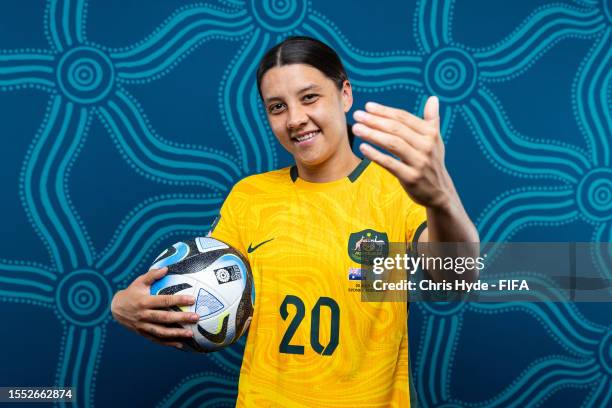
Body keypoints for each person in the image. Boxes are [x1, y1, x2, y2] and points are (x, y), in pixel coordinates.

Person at [111, 36, 479, 407]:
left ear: (345, 94)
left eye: (309, 97)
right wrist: (124, 304)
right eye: (277, 107)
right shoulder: (250, 197)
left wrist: (441, 199)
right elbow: (208, 297)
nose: (295, 119)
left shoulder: (395, 189)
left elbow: (457, 276)